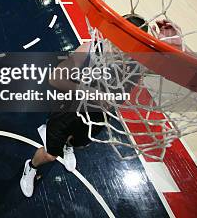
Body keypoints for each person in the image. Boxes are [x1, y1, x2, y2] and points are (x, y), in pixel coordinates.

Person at [19, 14, 184, 197]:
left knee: (79, 142)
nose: (120, 47)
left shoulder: (139, 62)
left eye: (128, 42)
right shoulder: (90, 49)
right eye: (118, 39)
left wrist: (173, 47)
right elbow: (56, 78)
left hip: (99, 115)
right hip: (70, 110)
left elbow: (177, 74)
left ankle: (69, 145)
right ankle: (31, 166)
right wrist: (89, 92)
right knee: (50, 154)